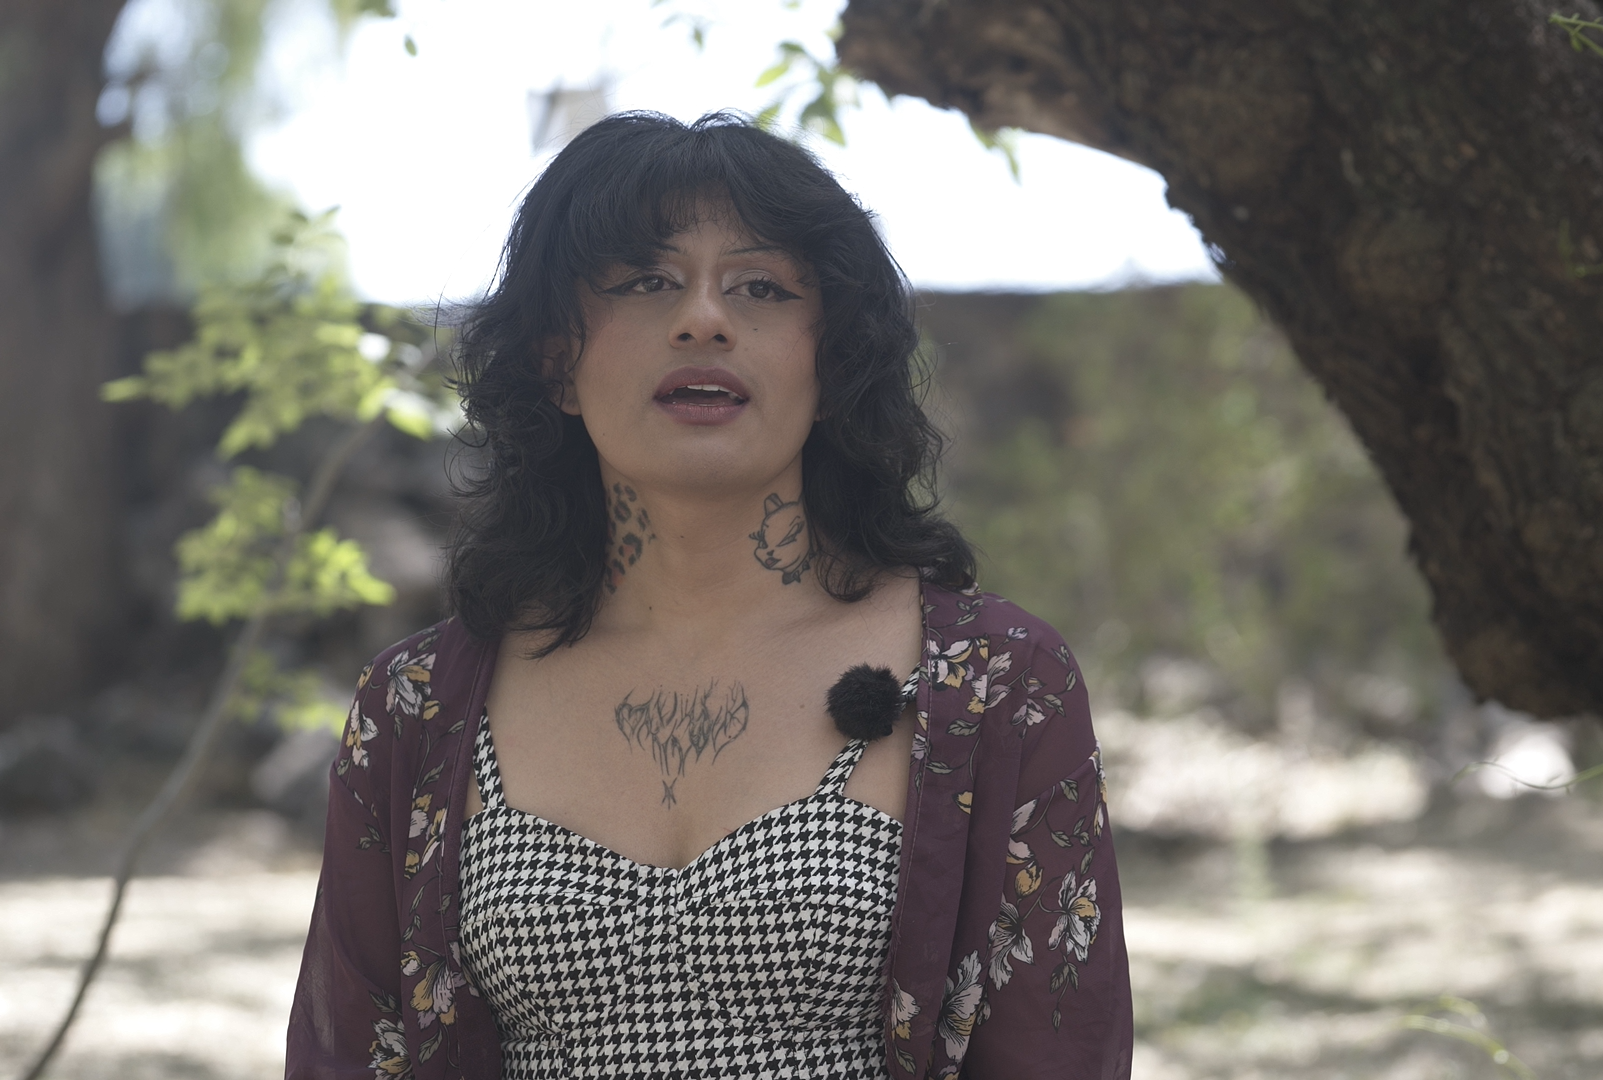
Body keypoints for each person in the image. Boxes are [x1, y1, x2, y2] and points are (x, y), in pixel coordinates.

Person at [284, 111, 1130, 1080]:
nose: (703, 319)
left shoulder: (996, 684)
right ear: (557, 359)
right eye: (646, 281)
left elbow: (1058, 1052)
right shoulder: (419, 706)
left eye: (761, 287)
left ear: (833, 360)